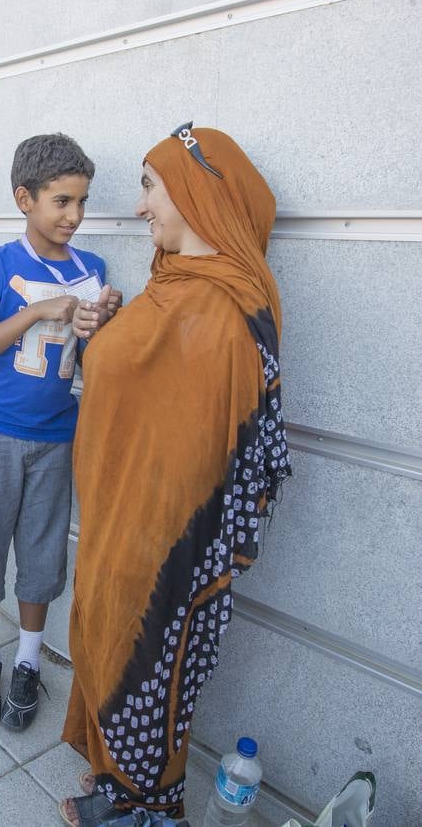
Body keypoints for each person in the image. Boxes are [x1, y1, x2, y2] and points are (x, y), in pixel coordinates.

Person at [58, 126, 290, 825]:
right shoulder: (172, 286)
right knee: (107, 641)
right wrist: (101, 334)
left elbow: (241, 449)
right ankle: (119, 787)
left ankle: (145, 810)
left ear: (197, 190)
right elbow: (142, 388)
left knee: (146, 664)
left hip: (167, 540)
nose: (139, 207)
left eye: (150, 186)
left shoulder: (225, 312)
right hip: (118, 516)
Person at [0, 134, 119, 735]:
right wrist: (31, 312)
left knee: (44, 552)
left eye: (82, 201)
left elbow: (92, 355)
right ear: (25, 199)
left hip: (57, 435)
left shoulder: (91, 269)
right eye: (61, 201)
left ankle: (27, 658)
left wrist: (105, 323)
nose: (74, 216)